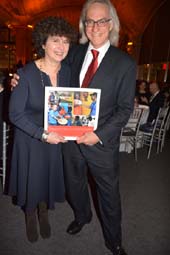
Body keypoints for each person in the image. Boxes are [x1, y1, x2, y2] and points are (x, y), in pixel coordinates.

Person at [11, 1, 136, 254]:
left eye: (101, 21)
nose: (95, 27)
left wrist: (98, 134)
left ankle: (115, 241)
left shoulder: (125, 63)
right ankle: (82, 216)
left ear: (111, 24)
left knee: (109, 195)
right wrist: (17, 78)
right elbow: (47, 68)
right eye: (90, 21)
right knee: (75, 184)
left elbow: (125, 109)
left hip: (101, 143)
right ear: (84, 25)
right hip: (69, 141)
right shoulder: (75, 53)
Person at [8, 16, 77, 243]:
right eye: (55, 40)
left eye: (65, 42)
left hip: (56, 139)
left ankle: (44, 213)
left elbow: (72, 104)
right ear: (43, 43)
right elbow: (15, 114)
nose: (61, 47)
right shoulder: (26, 74)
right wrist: (43, 134)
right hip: (31, 140)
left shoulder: (67, 72)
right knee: (31, 180)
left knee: (47, 179)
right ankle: (30, 215)